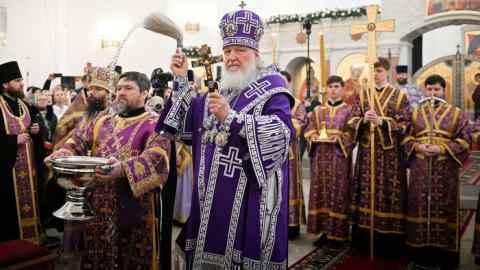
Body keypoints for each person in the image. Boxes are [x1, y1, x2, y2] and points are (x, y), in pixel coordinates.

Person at [157, 9, 293, 268]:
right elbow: (182, 127)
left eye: (240, 50)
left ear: (255, 54)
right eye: (228, 51)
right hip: (208, 199)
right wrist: (180, 78)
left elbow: (280, 135)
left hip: (249, 200)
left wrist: (232, 119)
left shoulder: (272, 88)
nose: (232, 57)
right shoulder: (222, 90)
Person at [47, 71, 171, 270]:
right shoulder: (103, 121)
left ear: (145, 93)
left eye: (128, 88)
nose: (121, 92)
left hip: (133, 205)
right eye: (119, 88)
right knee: (97, 256)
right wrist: (62, 152)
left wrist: (122, 169)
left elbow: (157, 159)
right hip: (97, 202)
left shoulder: (154, 124)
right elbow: (77, 140)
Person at [402, 74, 471, 270]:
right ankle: (419, 251)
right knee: (418, 205)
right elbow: (406, 138)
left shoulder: (456, 113)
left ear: (444, 91)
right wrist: (417, 147)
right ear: (424, 90)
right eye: (429, 90)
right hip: (420, 169)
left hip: (445, 170)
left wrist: (442, 148)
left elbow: (465, 140)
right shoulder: (415, 114)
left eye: (437, 90)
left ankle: (444, 253)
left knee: (444, 206)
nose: (433, 94)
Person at [349, 57, 411, 255]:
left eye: (380, 71)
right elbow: (351, 120)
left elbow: (406, 124)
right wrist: (362, 120)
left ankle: (388, 238)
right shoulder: (363, 95)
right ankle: (363, 236)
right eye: (373, 71)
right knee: (366, 191)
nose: (376, 75)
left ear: (387, 72)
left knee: (387, 191)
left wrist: (382, 122)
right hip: (367, 153)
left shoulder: (399, 96)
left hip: (389, 156)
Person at [304, 75, 355, 247]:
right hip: (320, 158)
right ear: (327, 89)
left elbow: (352, 133)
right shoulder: (318, 110)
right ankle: (324, 232)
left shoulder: (349, 110)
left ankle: (338, 234)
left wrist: (340, 139)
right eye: (331, 86)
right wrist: (315, 136)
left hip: (338, 158)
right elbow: (309, 129)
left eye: (336, 86)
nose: (333, 90)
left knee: (338, 192)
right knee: (321, 193)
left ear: (342, 89)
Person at [0, 61, 44, 244]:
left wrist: (36, 132)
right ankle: (13, 242)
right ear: (5, 84)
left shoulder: (25, 105)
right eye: (17, 80)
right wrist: (12, 141)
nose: (22, 83)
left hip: (29, 169)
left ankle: (33, 239)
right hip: (7, 173)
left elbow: (35, 133)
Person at [280, 70, 306, 239]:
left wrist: (283, 121)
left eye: (283, 81)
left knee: (290, 185)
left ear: (288, 83)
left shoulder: (296, 103)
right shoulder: (269, 101)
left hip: (290, 153)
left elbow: (300, 123)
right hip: (272, 153)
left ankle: (290, 226)